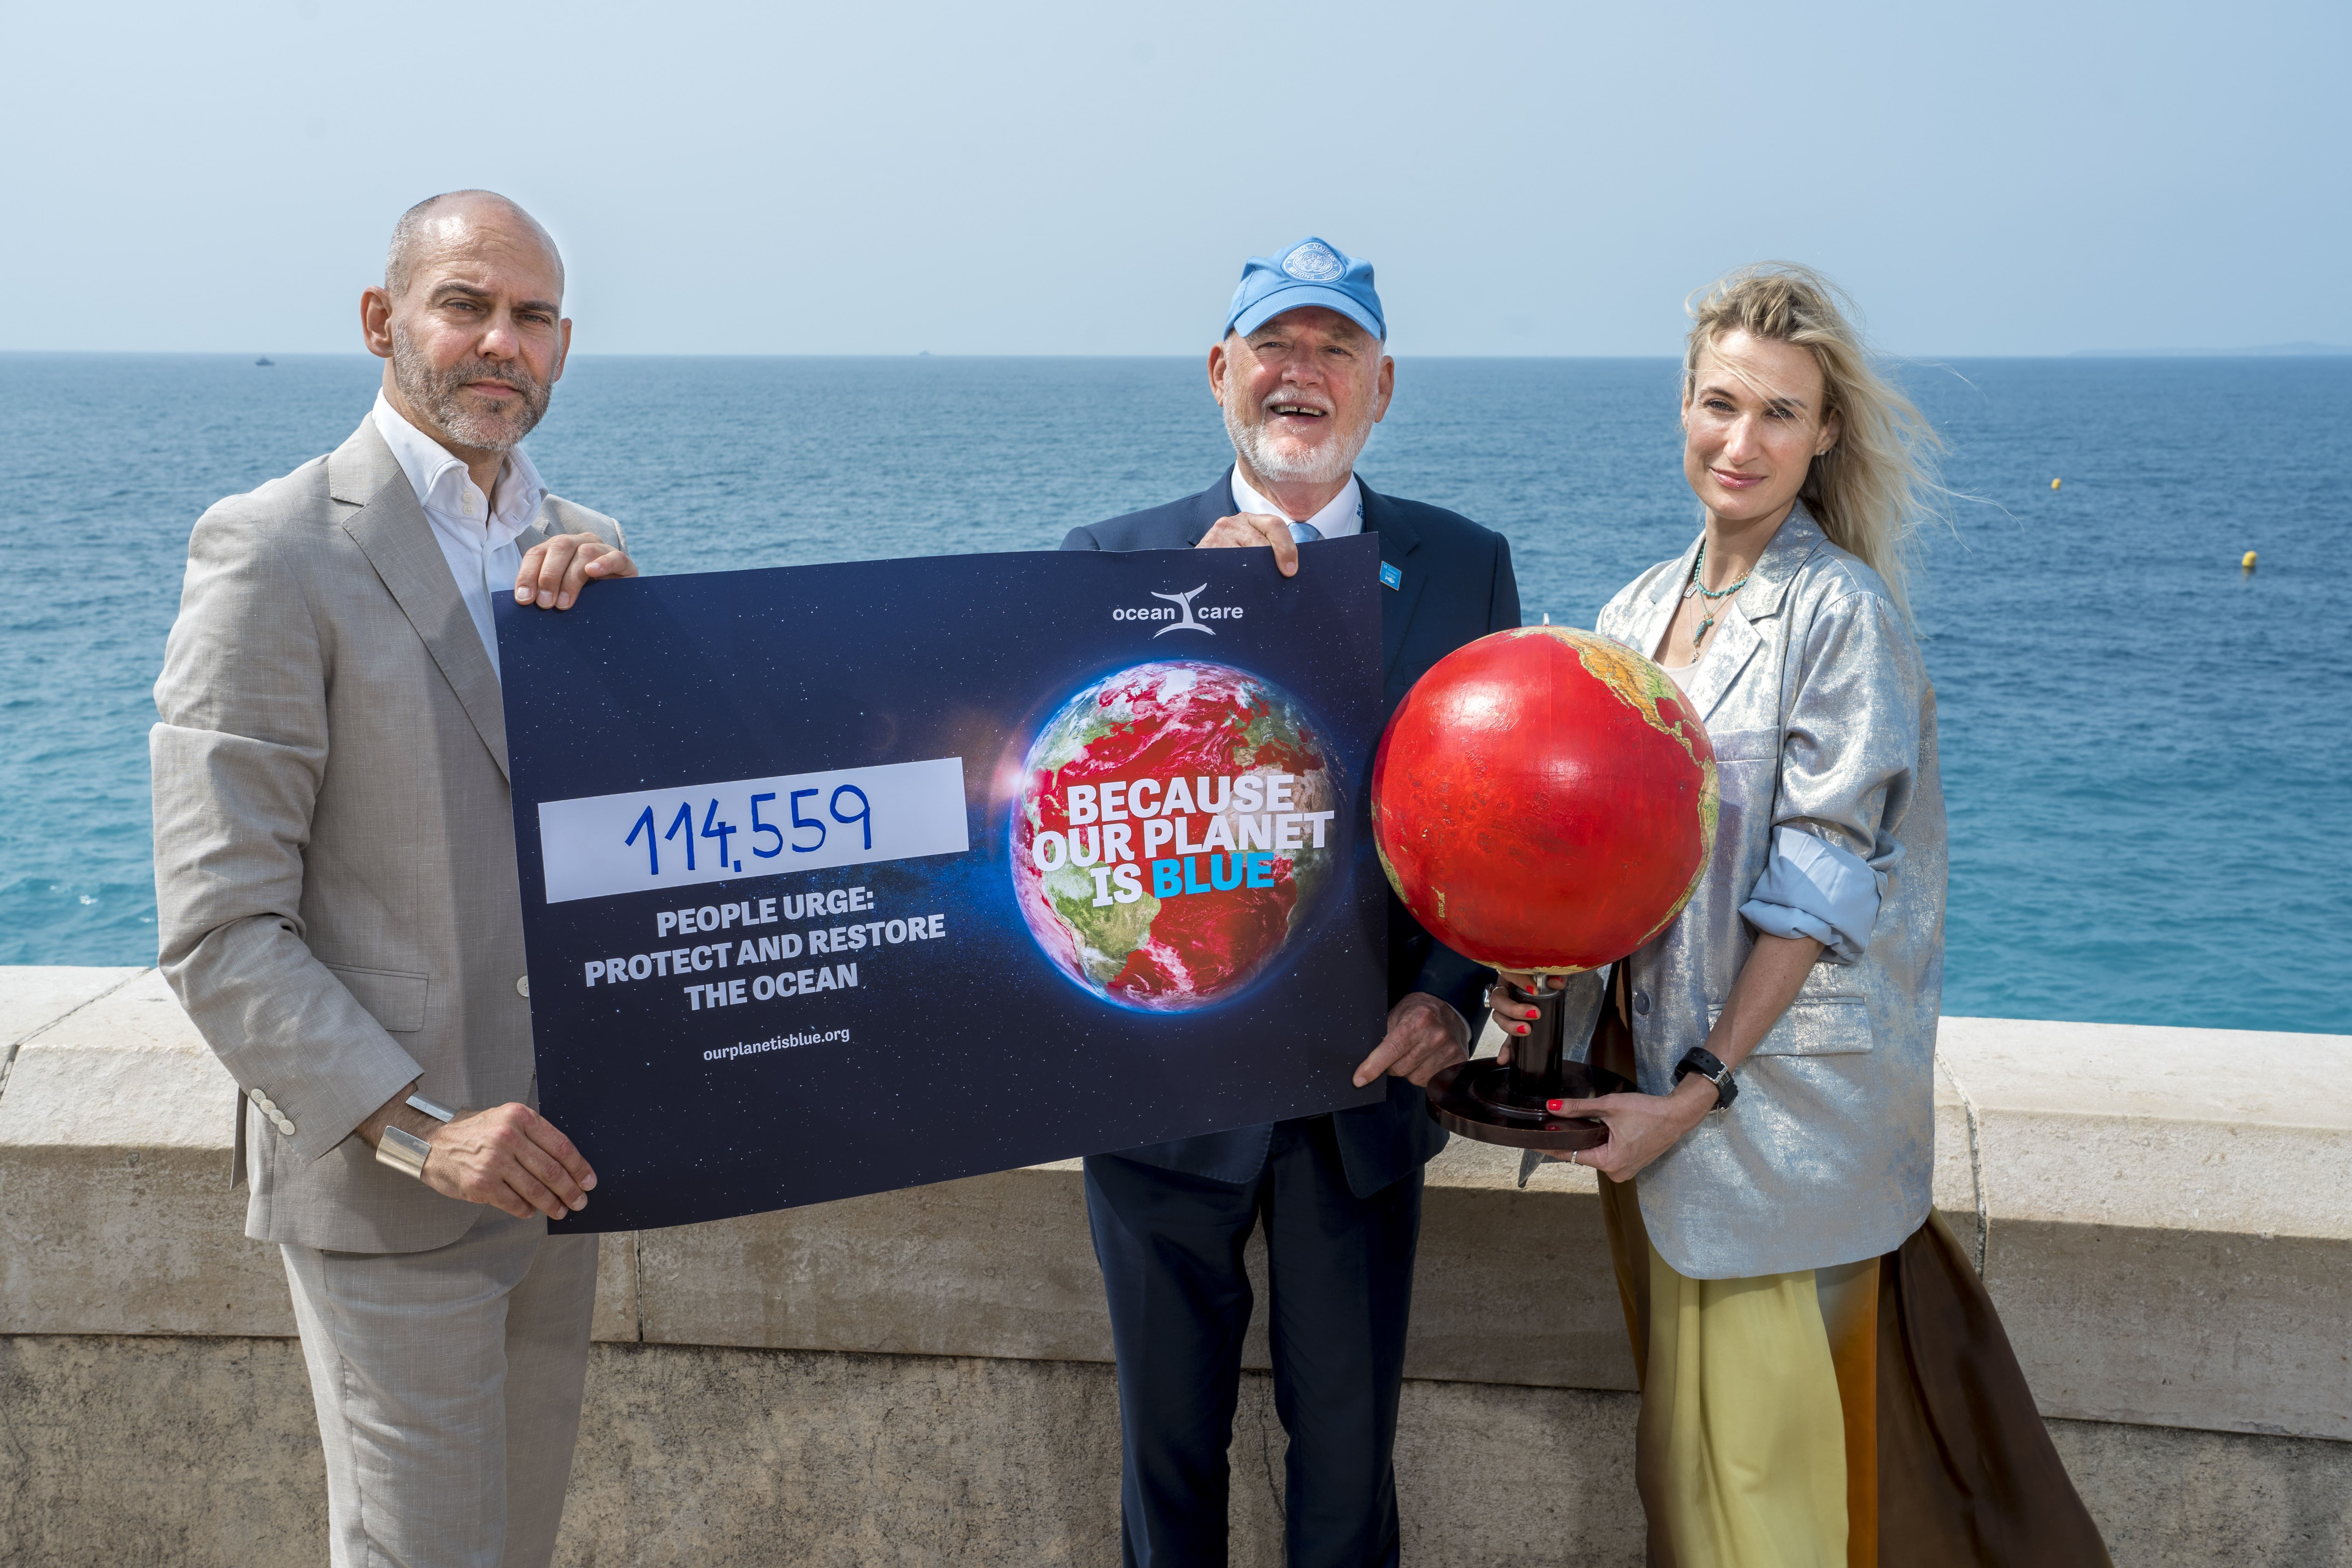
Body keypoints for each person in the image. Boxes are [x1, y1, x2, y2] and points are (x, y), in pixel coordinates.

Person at [1491, 264, 2107, 1566]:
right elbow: (1605, 866)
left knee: (1780, 1496)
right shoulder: (1628, 614)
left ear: (1824, 434)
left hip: (1770, 1115)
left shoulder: (1843, 612)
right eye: (1721, 403)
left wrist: (1703, 1082)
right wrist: (1540, 976)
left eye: (1781, 413)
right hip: (1646, 1099)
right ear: (1682, 406)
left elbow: (1825, 885)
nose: (1742, 440)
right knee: (1694, 1488)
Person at [151, 190, 637, 1568]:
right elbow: (218, 927)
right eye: (465, 304)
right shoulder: (274, 546)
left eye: (533, 317)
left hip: (561, 1173)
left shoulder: (589, 546)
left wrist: (643, 658)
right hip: (397, 1184)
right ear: (383, 321)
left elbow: (631, 852)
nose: (502, 342)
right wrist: (423, 1132)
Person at [1062, 237, 1518, 1567]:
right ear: (1220, 373)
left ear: (1382, 384)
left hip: (1362, 1095)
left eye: (1333, 349)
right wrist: (1181, 614)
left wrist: (1450, 1002)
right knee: (1165, 1469)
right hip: (1159, 1097)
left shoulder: (1460, 566)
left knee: (1344, 1473)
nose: (1299, 372)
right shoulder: (1112, 559)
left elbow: (1491, 823)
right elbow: (1053, 805)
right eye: (1273, 345)